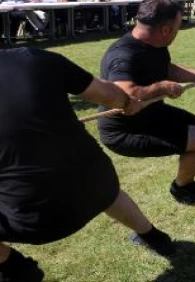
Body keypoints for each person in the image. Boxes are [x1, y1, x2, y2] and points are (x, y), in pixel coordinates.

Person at [0, 48, 176, 281]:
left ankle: (15, 268)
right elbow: (107, 93)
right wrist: (125, 101)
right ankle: (154, 237)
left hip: (36, 220)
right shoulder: (35, 57)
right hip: (101, 185)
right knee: (93, 178)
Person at [98, 0, 195, 205]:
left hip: (151, 114)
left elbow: (166, 68)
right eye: (177, 26)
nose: (177, 31)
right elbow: (124, 94)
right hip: (126, 130)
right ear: (165, 30)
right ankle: (182, 188)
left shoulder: (153, 43)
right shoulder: (123, 54)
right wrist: (162, 87)